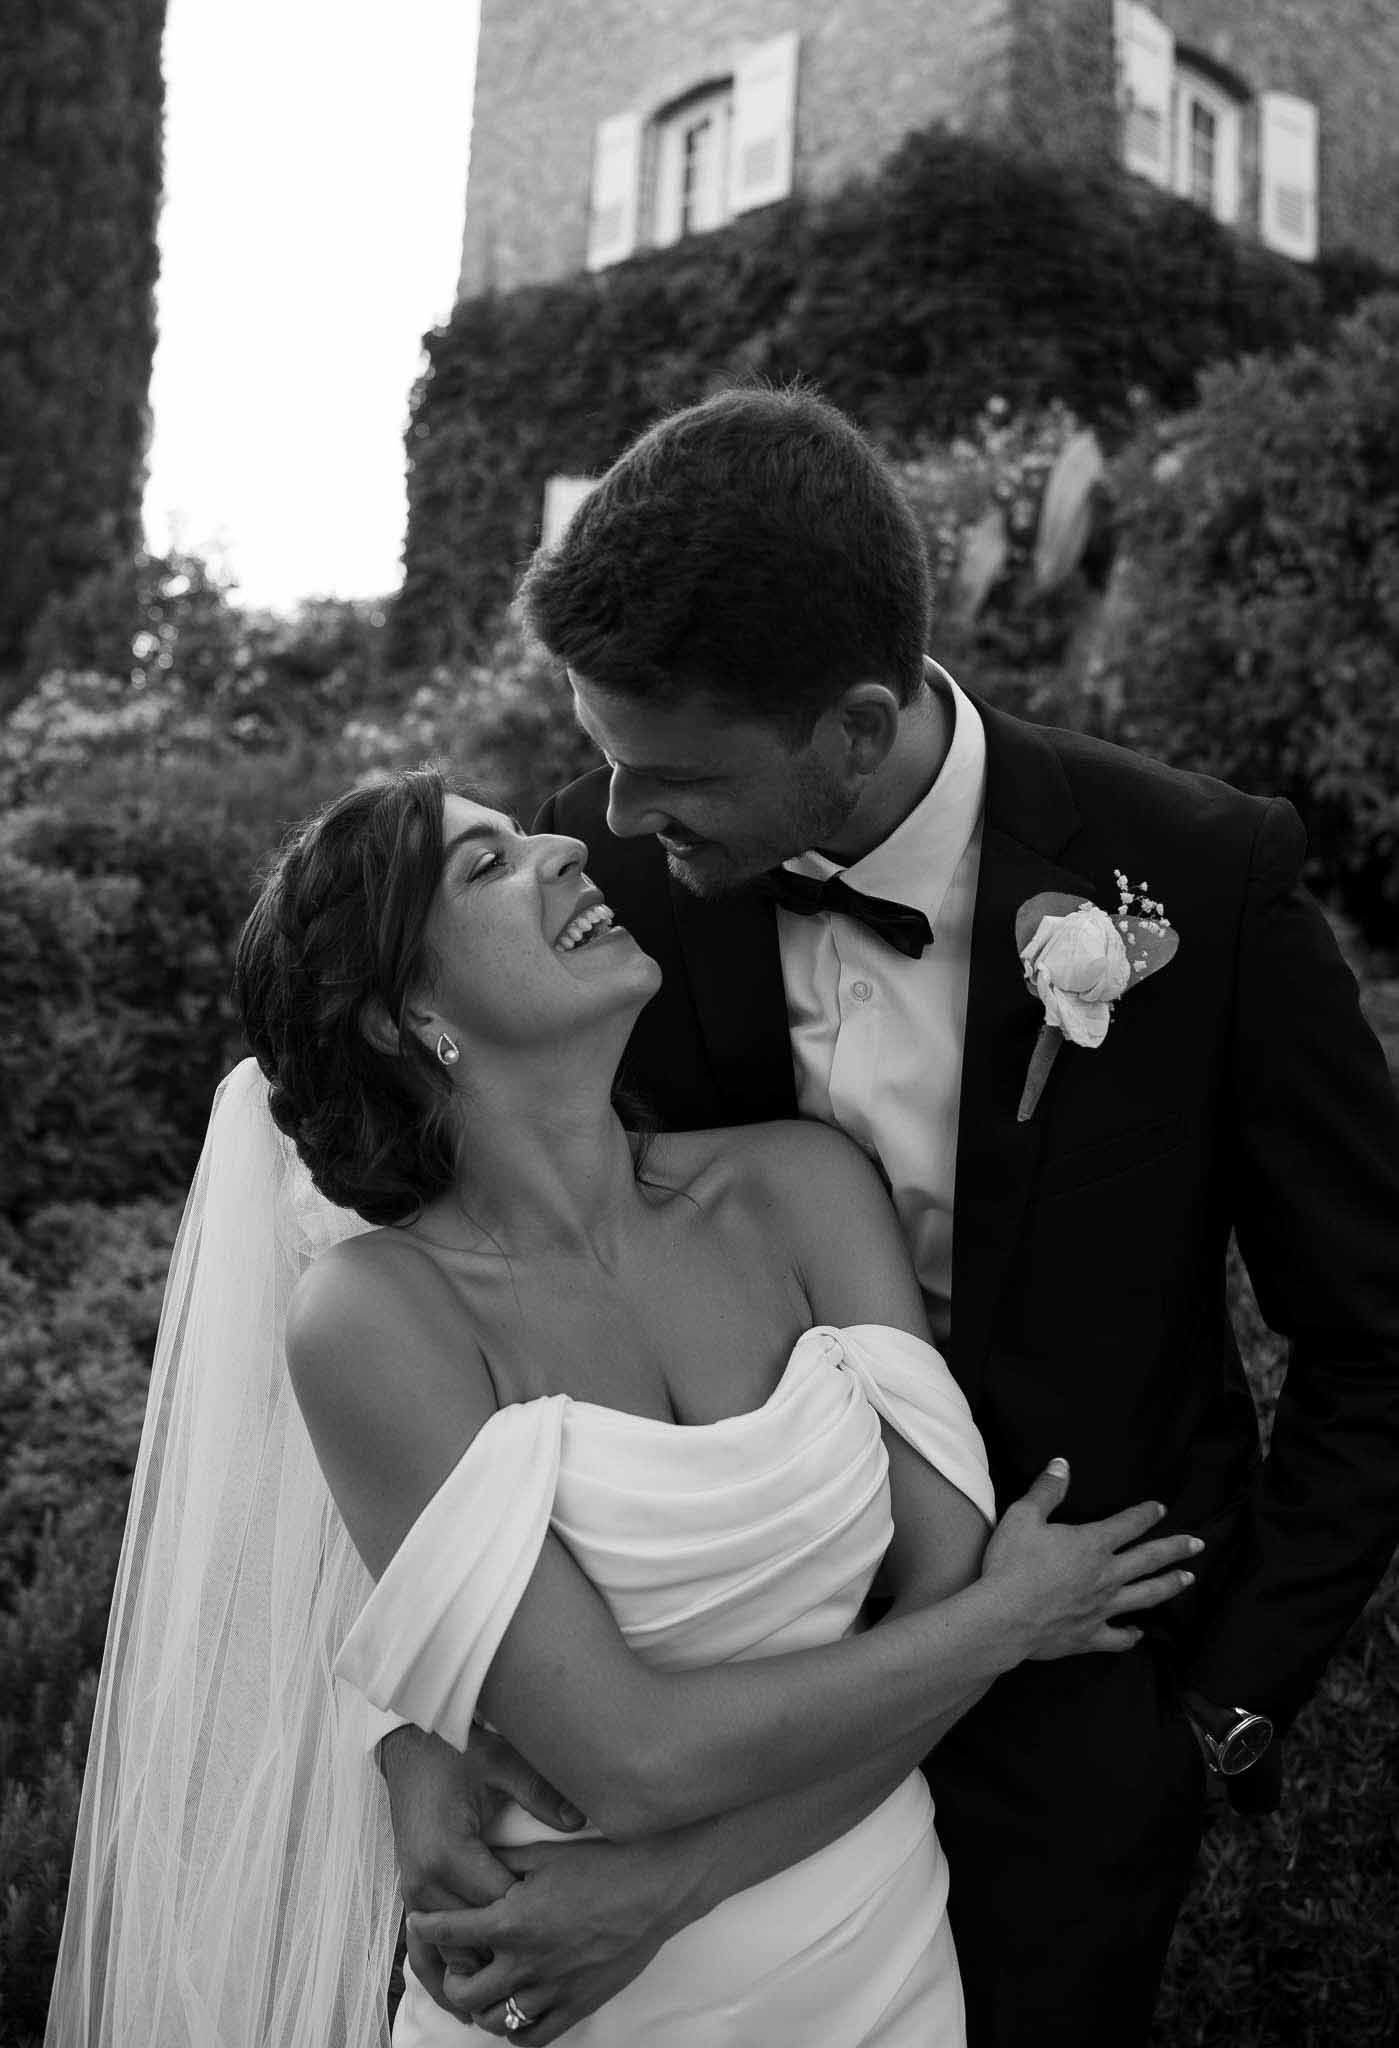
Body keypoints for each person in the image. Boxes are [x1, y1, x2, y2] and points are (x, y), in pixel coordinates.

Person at [384, 388, 1399, 2048]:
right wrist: (416, 1725)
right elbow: (453, 1268)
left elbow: (1372, 1334)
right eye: (608, 760)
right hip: (713, 1680)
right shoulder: (616, 879)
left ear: (855, 727)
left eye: (668, 775)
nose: (611, 816)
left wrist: (1218, 1701)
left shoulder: (1195, 884)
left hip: (1068, 1719)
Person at [44, 769, 1202, 2048]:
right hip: (565, 1987)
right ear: (406, 1013)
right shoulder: (375, 1315)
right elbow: (637, 1756)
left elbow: (942, 1581)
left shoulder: (802, 1185)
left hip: (883, 1961)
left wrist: (668, 1884)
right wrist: (1008, 1619)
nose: (559, 846)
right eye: (485, 865)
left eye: (522, 832)